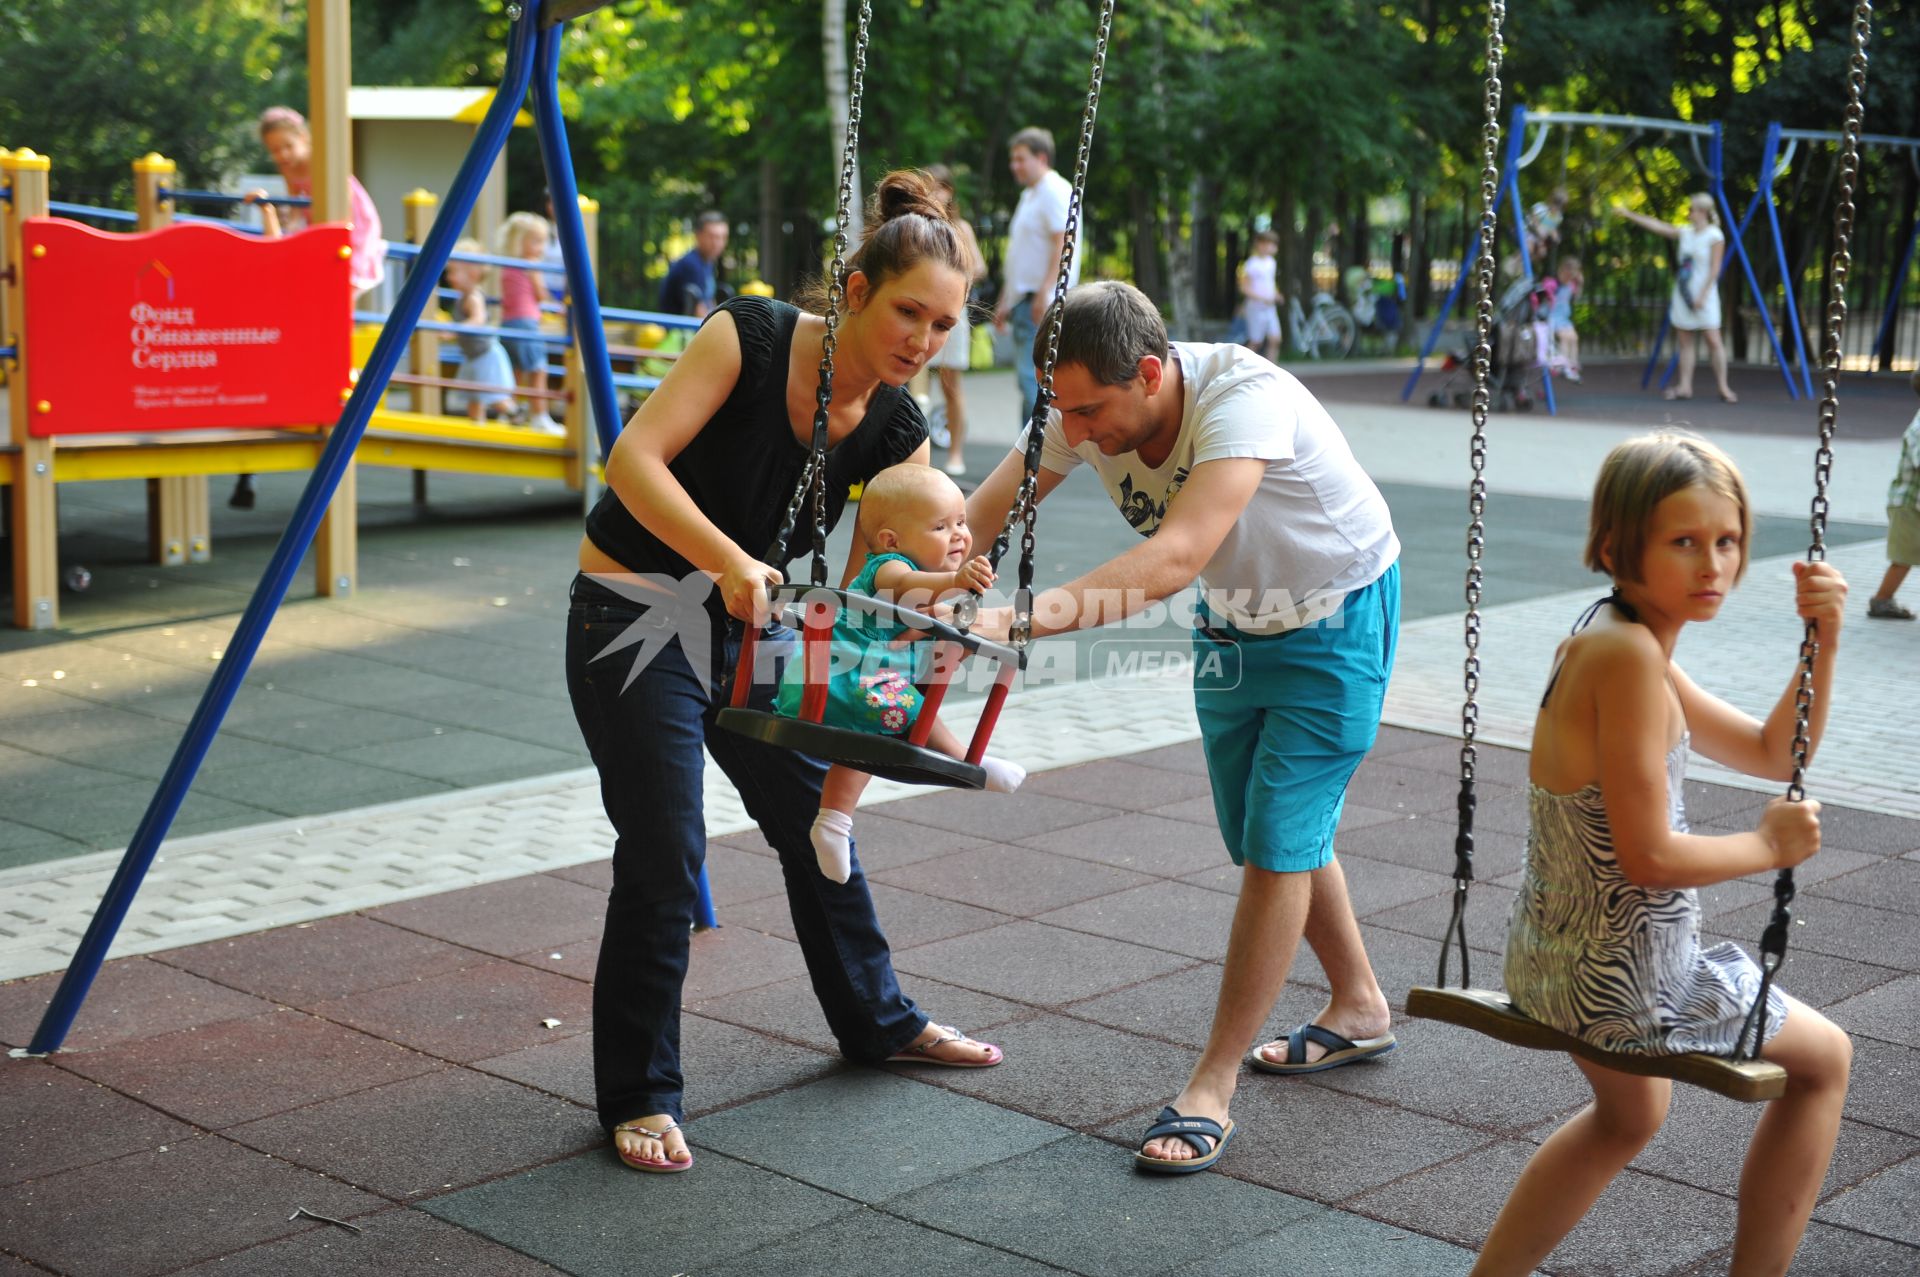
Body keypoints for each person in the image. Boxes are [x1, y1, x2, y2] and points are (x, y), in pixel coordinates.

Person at [567, 170, 1002, 1177]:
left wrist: (933, 605)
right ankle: (639, 1090)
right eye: (907, 312)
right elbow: (633, 460)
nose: (921, 341)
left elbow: (872, 579)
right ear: (852, 290)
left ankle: (879, 1019)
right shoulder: (750, 337)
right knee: (668, 841)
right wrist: (723, 557)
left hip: (750, 624)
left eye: (942, 325)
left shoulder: (897, 427)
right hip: (639, 612)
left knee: (818, 821)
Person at [964, 280, 1401, 1175]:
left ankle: (1211, 1084)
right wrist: (920, 576)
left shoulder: (1246, 398)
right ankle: (1358, 1004)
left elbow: (1174, 558)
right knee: (1261, 833)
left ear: (1153, 372)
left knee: (1280, 840)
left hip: (1335, 612)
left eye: (1089, 411)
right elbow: (984, 512)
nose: (1075, 434)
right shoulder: (1076, 401)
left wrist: (1022, 615)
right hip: (1236, 620)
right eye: (1064, 414)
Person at [1472, 432, 1852, 1276]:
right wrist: (1764, 844)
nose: (1712, 564)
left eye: (1728, 540)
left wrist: (1821, 640)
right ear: (1616, 547)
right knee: (1827, 1060)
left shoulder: (1617, 633)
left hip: (1553, 958)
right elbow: (1647, 857)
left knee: (1628, 1115)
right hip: (1626, 980)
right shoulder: (1629, 658)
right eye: (1684, 541)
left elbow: (1768, 748)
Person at [778, 463, 1027, 883]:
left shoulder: (913, 591)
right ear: (892, 540)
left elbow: (921, 623)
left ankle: (834, 823)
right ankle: (969, 760)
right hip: (842, 683)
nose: (960, 535)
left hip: (850, 686)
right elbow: (909, 582)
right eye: (940, 526)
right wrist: (954, 579)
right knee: (908, 707)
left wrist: (954, 618)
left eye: (962, 522)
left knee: (865, 745)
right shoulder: (887, 567)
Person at [233, 104, 387, 510]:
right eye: (274, 151)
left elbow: (333, 214)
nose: (282, 156)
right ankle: (314, 372)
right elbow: (290, 224)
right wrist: (269, 207)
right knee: (299, 304)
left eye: (287, 146)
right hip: (321, 238)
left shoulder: (322, 162)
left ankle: (342, 378)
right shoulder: (291, 173)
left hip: (352, 239)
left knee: (334, 305)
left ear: (304, 139)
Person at [993, 127, 1082, 427]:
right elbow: (1021, 254)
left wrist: (1047, 292)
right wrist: (1006, 299)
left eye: (1020, 159)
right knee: (1027, 380)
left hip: (1040, 301)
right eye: (1012, 159)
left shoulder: (1054, 191)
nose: (1014, 166)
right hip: (1025, 299)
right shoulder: (1030, 196)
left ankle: (1035, 456)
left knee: (1035, 381)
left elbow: (1063, 242)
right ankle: (1030, 453)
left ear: (1041, 157)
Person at [1613, 194, 1737, 403]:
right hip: (1684, 294)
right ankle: (1684, 386)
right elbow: (1658, 226)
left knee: (1713, 340)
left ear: (1703, 212)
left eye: (1692, 209)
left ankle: (1723, 387)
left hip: (1704, 294)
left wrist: (1703, 295)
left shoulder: (1714, 235)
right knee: (1684, 340)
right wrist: (1629, 214)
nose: (1688, 213)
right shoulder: (1686, 233)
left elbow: (1715, 269)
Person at [924, 165, 987, 476]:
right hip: (919, 307)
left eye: (939, 186)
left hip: (950, 310)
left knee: (951, 385)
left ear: (949, 191)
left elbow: (979, 266)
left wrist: (951, 275)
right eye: (928, 186)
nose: (934, 192)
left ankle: (955, 453)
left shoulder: (959, 227)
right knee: (909, 385)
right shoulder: (915, 225)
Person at [498, 212, 561, 435]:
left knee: (515, 372)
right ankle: (539, 417)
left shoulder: (508, 265)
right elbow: (541, 294)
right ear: (520, 242)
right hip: (526, 324)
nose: (541, 247)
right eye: (536, 241)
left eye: (543, 240)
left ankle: (509, 413)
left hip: (507, 324)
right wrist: (558, 306)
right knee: (538, 371)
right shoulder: (531, 264)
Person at [443, 240, 518, 422]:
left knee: (493, 396)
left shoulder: (473, 297)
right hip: (474, 356)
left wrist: (454, 331)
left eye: (453, 271)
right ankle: (477, 426)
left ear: (473, 273)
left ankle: (515, 413)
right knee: (474, 397)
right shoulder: (463, 297)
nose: (448, 277)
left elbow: (478, 319)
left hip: (486, 356)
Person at [1867, 369, 1920, 620]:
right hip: (1908, 505)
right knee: (1903, 556)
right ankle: (1881, 600)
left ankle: (1883, 599)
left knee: (1906, 555)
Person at [658, 210, 729, 318]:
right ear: (698, 236)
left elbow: (709, 301)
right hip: (678, 330)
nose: (717, 243)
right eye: (712, 237)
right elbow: (699, 312)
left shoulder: (707, 261)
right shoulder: (691, 265)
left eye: (722, 237)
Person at [1237, 231, 1282, 363]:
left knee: (1275, 339)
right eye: (1269, 244)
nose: (1272, 247)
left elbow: (1270, 283)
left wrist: (1276, 294)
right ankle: (1242, 366)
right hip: (1256, 308)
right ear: (1260, 245)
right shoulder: (1252, 264)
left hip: (1270, 307)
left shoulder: (1271, 262)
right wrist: (1262, 298)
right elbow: (1244, 288)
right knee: (1256, 342)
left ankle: (1272, 369)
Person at [1548, 255, 1583, 381]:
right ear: (1561, 271)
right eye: (1567, 275)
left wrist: (1580, 284)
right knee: (1564, 337)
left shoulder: (1571, 285)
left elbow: (1577, 296)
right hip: (1553, 317)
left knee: (1574, 337)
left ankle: (1572, 365)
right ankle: (1561, 364)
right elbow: (1544, 297)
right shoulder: (1552, 284)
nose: (1569, 278)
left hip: (1563, 317)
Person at [1526, 186, 1569, 264]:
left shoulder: (1558, 217)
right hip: (1529, 232)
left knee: (1542, 253)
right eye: (1555, 204)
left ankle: (1524, 266)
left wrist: (1555, 235)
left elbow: (1552, 228)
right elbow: (1532, 218)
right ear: (1550, 201)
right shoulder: (1541, 208)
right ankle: (1516, 263)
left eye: (1560, 207)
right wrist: (1537, 227)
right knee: (1529, 248)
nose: (1556, 208)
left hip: (1540, 238)